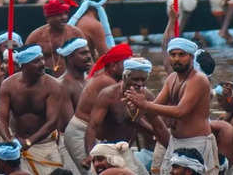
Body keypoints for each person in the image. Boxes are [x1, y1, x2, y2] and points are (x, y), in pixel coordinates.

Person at [124, 38, 217, 175]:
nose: (176, 59)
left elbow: (181, 111)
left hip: (197, 143)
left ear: (191, 57)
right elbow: (154, 107)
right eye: (173, 55)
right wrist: (135, 107)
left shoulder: (198, 79)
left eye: (181, 55)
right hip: (175, 142)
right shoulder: (172, 78)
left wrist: (144, 104)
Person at [87, 58, 166, 175]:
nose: (139, 83)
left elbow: (159, 128)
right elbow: (93, 126)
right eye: (135, 79)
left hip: (126, 150)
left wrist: (172, 151)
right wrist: (90, 154)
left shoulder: (147, 96)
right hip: (107, 151)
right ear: (124, 77)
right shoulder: (109, 95)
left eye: (143, 80)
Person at [64, 43, 132, 173]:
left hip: (95, 134)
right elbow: (121, 117)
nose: (130, 69)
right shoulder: (107, 82)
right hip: (80, 132)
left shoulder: (113, 81)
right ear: (113, 66)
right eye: (127, 65)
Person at [0, 44, 64, 175]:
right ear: (23, 65)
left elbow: (52, 122)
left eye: (42, 59)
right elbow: (2, 119)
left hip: (44, 144)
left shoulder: (53, 85)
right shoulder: (8, 85)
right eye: (36, 61)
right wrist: (9, 141)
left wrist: (29, 141)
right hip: (16, 144)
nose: (42, 64)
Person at [26, 0, 86, 76]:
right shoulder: (36, 36)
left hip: (72, 81)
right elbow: (26, 63)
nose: (64, 17)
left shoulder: (75, 33)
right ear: (48, 18)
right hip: (44, 82)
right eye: (59, 14)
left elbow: (88, 58)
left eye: (65, 13)